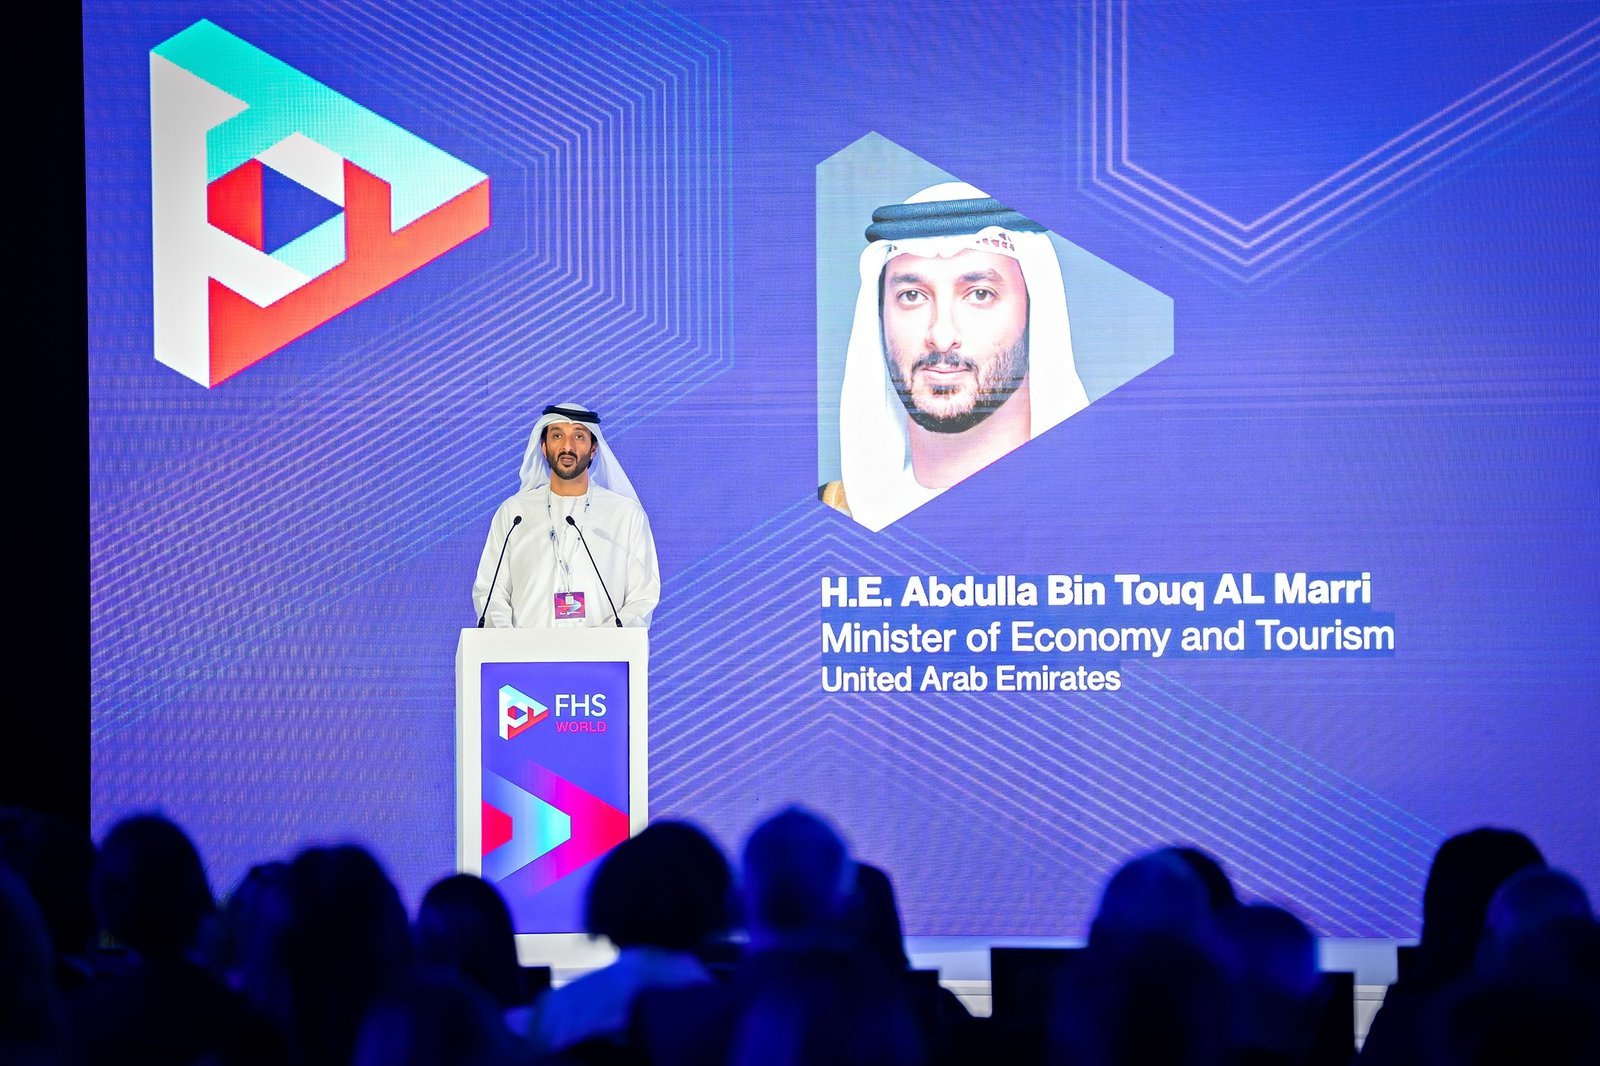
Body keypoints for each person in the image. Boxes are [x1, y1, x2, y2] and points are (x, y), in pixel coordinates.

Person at [821, 182, 1089, 531]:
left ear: (1034, 313)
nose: (942, 336)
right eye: (912, 295)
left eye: (980, 294)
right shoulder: (832, 515)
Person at [473, 402, 660, 628]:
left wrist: (602, 642)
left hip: (602, 650)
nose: (567, 446)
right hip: (525, 649)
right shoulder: (514, 513)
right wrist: (508, 640)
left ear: (593, 449)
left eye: (579, 436)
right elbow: (490, 592)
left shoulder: (626, 515)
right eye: (557, 436)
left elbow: (642, 597)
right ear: (543, 447)